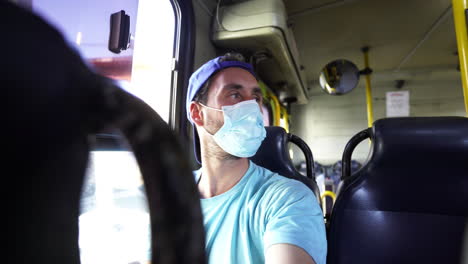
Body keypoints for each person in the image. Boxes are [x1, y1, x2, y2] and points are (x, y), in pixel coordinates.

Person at [186, 52, 327, 264]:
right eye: (234, 95)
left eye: (256, 98)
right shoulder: (169, 193)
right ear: (198, 113)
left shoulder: (288, 199)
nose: (252, 109)